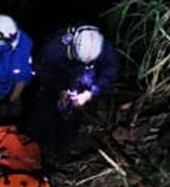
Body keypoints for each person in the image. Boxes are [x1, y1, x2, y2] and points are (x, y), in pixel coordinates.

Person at [24, 24, 119, 166]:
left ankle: (63, 155)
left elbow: (110, 72)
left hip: (83, 80)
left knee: (72, 118)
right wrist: (60, 89)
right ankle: (38, 150)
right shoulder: (54, 47)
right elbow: (43, 70)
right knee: (43, 113)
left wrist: (90, 93)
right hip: (56, 78)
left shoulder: (104, 48)